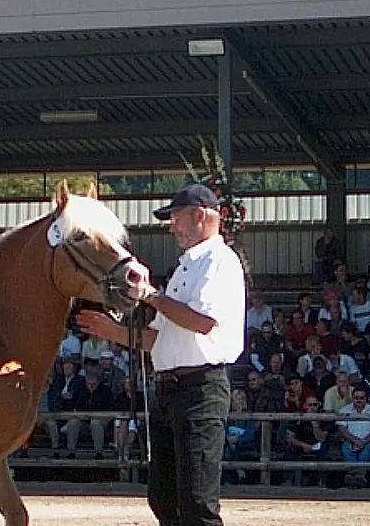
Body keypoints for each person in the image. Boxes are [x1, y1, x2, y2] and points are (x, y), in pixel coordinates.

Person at [78, 182, 245, 526]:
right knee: (164, 498)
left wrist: (151, 295)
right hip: (171, 389)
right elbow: (160, 339)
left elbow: (202, 323)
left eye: (177, 217)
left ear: (200, 215)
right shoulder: (186, 268)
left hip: (200, 388)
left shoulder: (219, 261)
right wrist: (113, 332)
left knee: (197, 501)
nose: (172, 226)